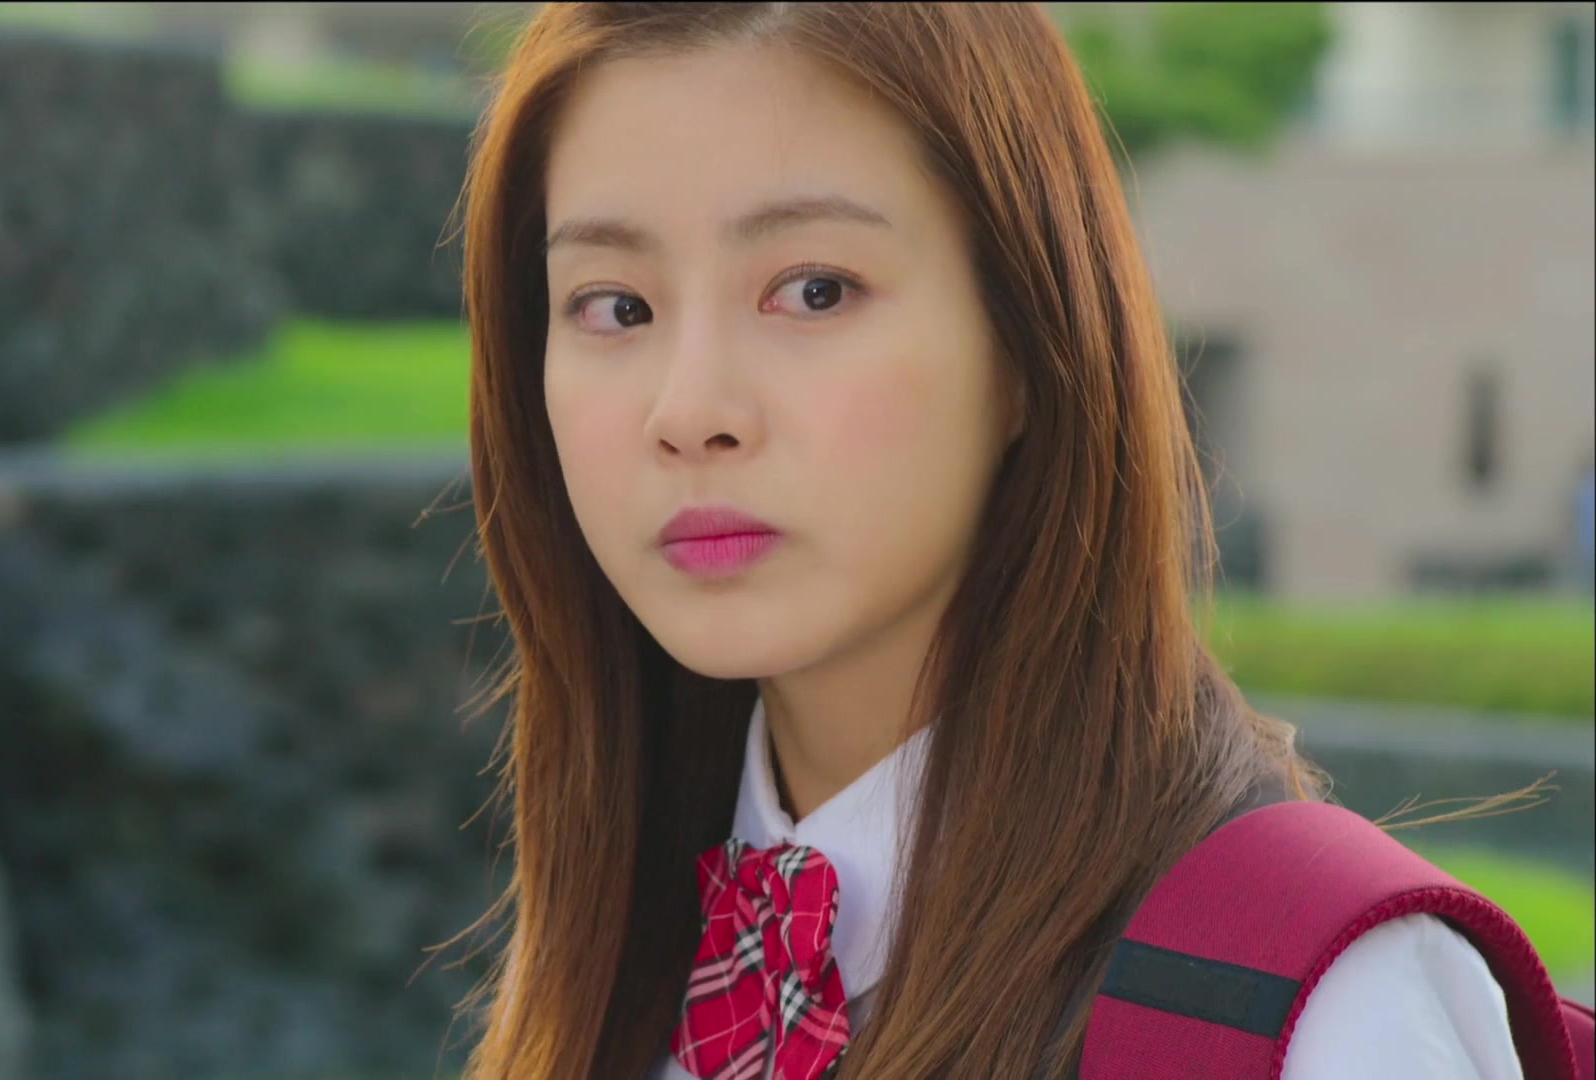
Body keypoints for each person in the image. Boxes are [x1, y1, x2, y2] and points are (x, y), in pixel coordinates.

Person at [448, 4, 1537, 1077]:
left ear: (1025, 344)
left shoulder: (1315, 1012)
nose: (688, 411)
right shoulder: (624, 958)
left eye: (814, 291)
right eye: (615, 308)